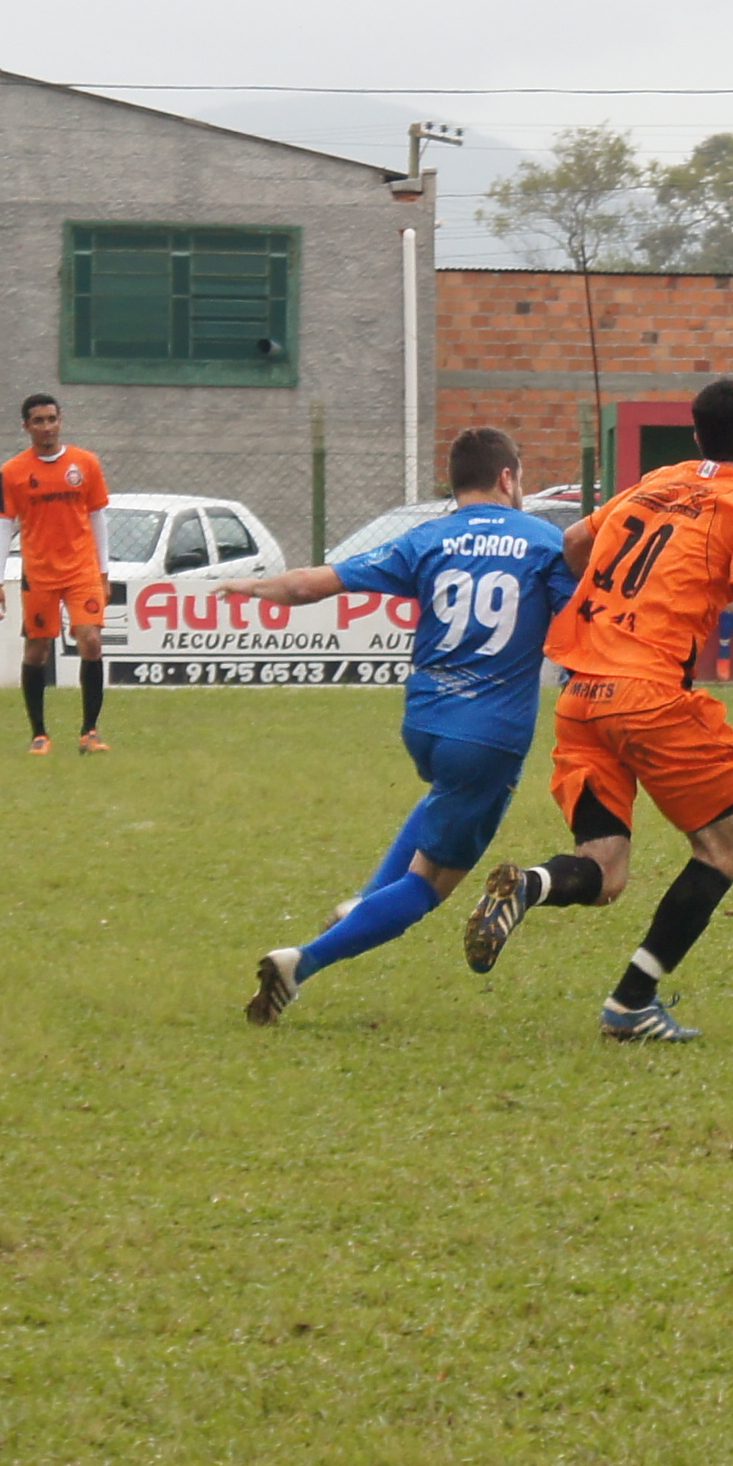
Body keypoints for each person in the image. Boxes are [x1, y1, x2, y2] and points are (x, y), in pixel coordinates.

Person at [462, 377, 733, 1043]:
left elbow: (574, 547)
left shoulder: (655, 481)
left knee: (604, 870)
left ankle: (528, 885)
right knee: (729, 846)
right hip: (648, 696)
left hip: (581, 696)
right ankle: (633, 1001)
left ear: (696, 437)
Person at [221, 428, 575, 1023]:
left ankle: (363, 899)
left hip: (425, 724)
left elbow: (312, 584)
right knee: (429, 886)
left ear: (455, 483)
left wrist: (255, 585)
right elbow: (584, 619)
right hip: (488, 738)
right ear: (509, 479)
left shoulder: (426, 538)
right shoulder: (544, 543)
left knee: (445, 797)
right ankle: (300, 964)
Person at [0, 393, 112, 756]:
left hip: (82, 569)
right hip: (39, 572)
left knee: (90, 640)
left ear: (61, 421)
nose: (47, 427)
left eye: (52, 419)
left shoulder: (85, 463)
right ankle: (39, 735)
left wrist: (103, 572)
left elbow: (98, 516)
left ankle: (90, 732)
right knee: (37, 650)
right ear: (26, 427)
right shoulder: (13, 472)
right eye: (38, 421)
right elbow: (2, 527)